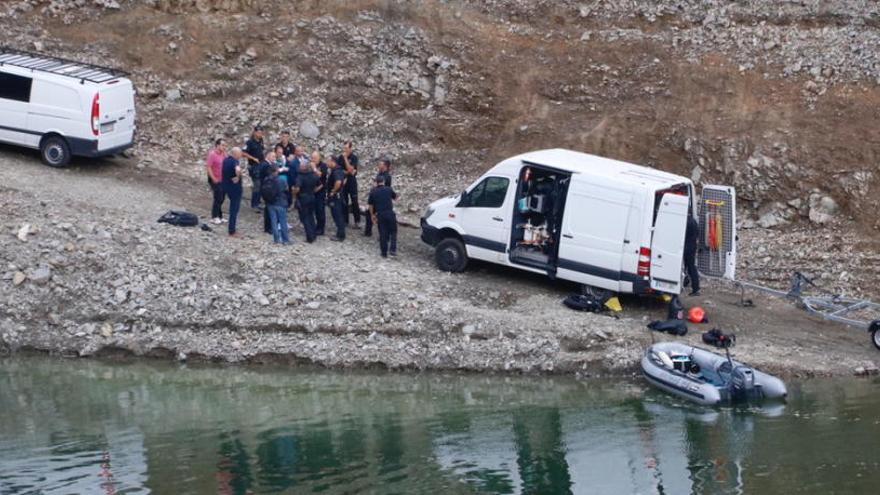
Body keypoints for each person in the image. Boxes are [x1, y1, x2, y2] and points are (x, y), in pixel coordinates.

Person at [368, 175, 398, 257]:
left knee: (382, 233)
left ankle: (384, 253)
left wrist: (372, 215)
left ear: (376, 182)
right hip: (390, 213)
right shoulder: (388, 189)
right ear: (383, 181)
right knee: (393, 231)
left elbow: (370, 205)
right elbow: (395, 197)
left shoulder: (373, 191)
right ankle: (393, 249)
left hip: (380, 214)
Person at [363, 157, 392, 237]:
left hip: (381, 199)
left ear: (385, 166)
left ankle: (384, 235)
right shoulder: (380, 173)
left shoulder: (387, 176)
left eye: (380, 164)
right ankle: (368, 232)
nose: (378, 165)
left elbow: (384, 188)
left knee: (381, 218)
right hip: (376, 197)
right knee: (369, 213)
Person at [293, 161, 320, 243]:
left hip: (303, 198)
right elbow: (320, 184)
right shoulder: (313, 175)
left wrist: (293, 193)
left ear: (303, 167)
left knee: (305, 218)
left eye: (300, 166)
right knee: (311, 216)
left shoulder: (300, 177)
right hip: (312, 196)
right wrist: (313, 191)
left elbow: (297, 188)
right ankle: (314, 234)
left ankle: (310, 237)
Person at [265, 165, 291, 245]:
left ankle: (276, 239)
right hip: (280, 202)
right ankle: (285, 240)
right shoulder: (281, 180)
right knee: (282, 221)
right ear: (276, 171)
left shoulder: (266, 179)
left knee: (273, 221)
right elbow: (287, 189)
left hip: (270, 203)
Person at [221, 147, 244, 238]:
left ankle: (232, 229)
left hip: (226, 186)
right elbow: (238, 170)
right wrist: (238, 176)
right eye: (240, 153)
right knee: (234, 209)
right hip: (234, 188)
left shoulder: (226, 160)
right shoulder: (235, 161)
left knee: (232, 208)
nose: (241, 155)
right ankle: (232, 231)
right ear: (235, 154)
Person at [242, 125, 266, 211]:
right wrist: (253, 158)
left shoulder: (261, 141)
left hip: (261, 165)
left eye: (261, 133)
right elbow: (243, 153)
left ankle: (258, 202)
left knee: (261, 184)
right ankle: (254, 204)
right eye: (258, 132)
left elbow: (262, 150)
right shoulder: (249, 142)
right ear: (255, 132)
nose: (260, 134)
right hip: (253, 166)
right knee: (257, 185)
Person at [337, 141, 360, 227]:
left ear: (350, 148)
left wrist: (346, 159)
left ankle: (357, 221)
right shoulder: (340, 157)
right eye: (344, 148)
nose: (345, 150)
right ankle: (345, 220)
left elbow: (351, 170)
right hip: (344, 181)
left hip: (352, 182)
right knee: (344, 201)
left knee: (354, 201)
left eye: (346, 148)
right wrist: (347, 171)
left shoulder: (354, 158)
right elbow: (339, 169)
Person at [205, 138, 227, 224]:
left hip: (223, 179)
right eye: (223, 145)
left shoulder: (224, 154)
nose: (224, 147)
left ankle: (220, 216)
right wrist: (213, 178)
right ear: (217, 145)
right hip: (215, 178)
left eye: (225, 145)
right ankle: (214, 216)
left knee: (222, 197)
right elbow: (209, 167)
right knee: (218, 197)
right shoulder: (212, 154)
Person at [327, 156, 347, 241]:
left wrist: (333, 191)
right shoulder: (339, 170)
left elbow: (338, 182)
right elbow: (344, 179)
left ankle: (340, 235)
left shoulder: (336, 171)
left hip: (335, 197)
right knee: (338, 215)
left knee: (337, 215)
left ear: (332, 161)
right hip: (338, 195)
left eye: (328, 161)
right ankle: (340, 233)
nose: (327, 163)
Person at [310, 151, 328, 236]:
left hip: (320, 191)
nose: (313, 160)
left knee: (320, 210)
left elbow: (321, 175)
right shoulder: (310, 164)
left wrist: (314, 169)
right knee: (313, 210)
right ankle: (315, 226)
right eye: (312, 158)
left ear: (319, 158)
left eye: (315, 158)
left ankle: (321, 228)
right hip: (312, 190)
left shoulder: (323, 165)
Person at [684, 214, 700, 296]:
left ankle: (695, 288)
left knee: (689, 267)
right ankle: (694, 287)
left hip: (687, 247)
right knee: (690, 267)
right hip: (692, 247)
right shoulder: (693, 221)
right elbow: (697, 234)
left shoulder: (685, 221)